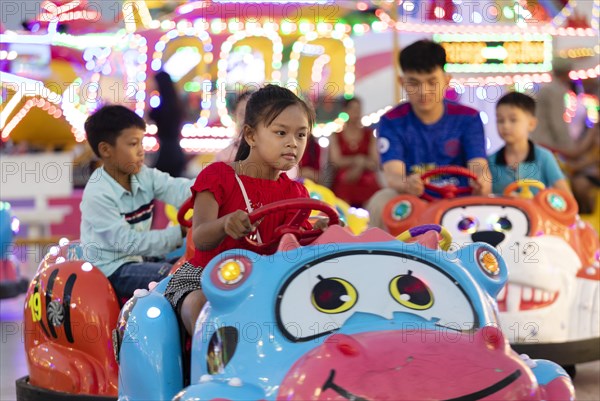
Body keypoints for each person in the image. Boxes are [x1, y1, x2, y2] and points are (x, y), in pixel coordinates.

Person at [164, 84, 325, 335]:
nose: (293, 143)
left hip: (264, 282)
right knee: (201, 306)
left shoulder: (296, 193)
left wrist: (318, 234)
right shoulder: (218, 176)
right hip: (207, 276)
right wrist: (224, 224)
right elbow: (202, 237)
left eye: (301, 135)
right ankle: (212, 368)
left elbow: (294, 246)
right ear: (250, 136)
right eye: (281, 133)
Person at [366, 40, 491, 229]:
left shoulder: (469, 118)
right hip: (414, 203)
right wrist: (407, 184)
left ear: (447, 81)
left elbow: (478, 166)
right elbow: (393, 175)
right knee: (381, 200)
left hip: (460, 202)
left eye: (432, 82)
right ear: (402, 82)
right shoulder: (391, 121)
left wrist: (482, 182)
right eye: (414, 83)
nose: (424, 92)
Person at [80, 105, 193, 305]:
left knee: (197, 267)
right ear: (106, 149)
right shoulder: (98, 193)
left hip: (138, 259)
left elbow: (176, 188)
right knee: (181, 277)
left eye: (142, 142)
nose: (142, 151)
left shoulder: (143, 175)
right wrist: (179, 233)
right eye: (133, 144)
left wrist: (211, 186)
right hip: (112, 269)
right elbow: (127, 242)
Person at [487, 92, 571, 195]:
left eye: (513, 120)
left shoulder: (544, 157)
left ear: (531, 124)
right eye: (500, 120)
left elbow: (566, 197)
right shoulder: (491, 161)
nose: (506, 126)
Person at [329, 97, 380, 207]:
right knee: (344, 181)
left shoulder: (369, 134)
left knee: (369, 182)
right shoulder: (336, 136)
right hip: (345, 178)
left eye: (358, 109)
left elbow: (375, 161)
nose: (356, 113)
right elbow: (336, 161)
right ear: (345, 111)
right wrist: (357, 161)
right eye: (353, 109)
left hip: (366, 176)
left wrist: (360, 165)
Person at [530, 58, 574, 152]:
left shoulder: (547, 88)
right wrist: (570, 148)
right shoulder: (555, 91)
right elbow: (558, 124)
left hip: (538, 142)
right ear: (567, 72)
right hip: (548, 146)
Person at [149, 71, 187, 177]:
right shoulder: (176, 103)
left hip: (166, 153)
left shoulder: (162, 107)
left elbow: (150, 116)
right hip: (175, 152)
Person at [214, 91, 253, 162]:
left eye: (250, 114)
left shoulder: (268, 154)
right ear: (234, 116)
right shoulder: (224, 157)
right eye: (241, 114)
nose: (245, 119)